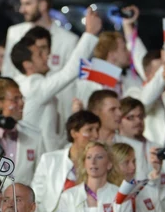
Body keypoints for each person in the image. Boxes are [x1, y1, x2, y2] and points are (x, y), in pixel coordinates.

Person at [10, 9, 100, 151]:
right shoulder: (33, 86)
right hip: (38, 157)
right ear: (28, 65)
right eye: (40, 54)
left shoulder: (25, 83)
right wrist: (89, 33)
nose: (47, 57)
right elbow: (71, 71)